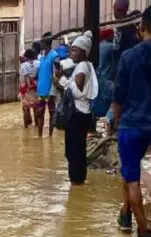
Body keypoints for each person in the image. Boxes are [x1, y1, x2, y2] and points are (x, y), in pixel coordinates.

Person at [113, 5, 151, 237]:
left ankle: (143, 232)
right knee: (127, 168)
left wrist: (116, 122)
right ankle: (125, 214)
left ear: (142, 27)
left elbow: (118, 95)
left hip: (130, 125)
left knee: (132, 178)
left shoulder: (129, 56)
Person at [63, 31, 98, 186]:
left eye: (75, 50)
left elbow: (78, 92)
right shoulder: (87, 65)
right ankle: (79, 180)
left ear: (84, 52)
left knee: (73, 150)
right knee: (79, 149)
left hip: (77, 114)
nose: (72, 53)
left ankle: (76, 182)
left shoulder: (82, 67)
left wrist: (64, 81)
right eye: (72, 50)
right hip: (84, 113)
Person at [35, 32, 58, 138]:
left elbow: (56, 75)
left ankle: (50, 136)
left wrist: (53, 91)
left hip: (50, 91)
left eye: (42, 43)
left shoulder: (54, 56)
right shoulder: (42, 57)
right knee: (40, 114)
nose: (40, 45)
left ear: (46, 43)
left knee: (52, 113)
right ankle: (39, 137)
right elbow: (39, 73)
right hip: (41, 91)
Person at [20, 50, 38, 128]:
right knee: (36, 107)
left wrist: (29, 85)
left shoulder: (23, 65)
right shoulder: (38, 63)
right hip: (36, 88)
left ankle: (26, 125)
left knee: (25, 108)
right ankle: (37, 124)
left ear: (26, 57)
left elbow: (25, 76)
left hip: (26, 89)